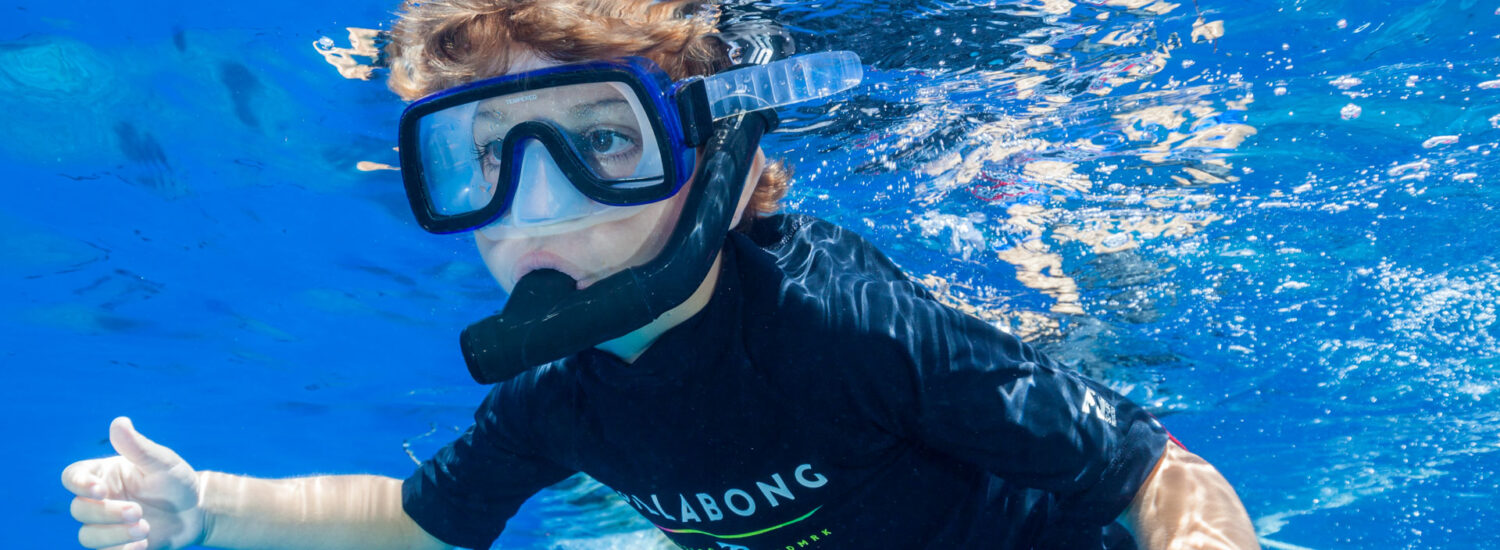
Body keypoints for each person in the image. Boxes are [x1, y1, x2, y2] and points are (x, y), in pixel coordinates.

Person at [61, 1, 1259, 549]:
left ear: (732, 167)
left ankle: (1084, 280)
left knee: (1076, 342)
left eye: (606, 141)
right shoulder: (563, 392)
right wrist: (212, 503)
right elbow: (423, 517)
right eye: (479, 157)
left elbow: (1152, 467)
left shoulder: (844, 323)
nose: (538, 201)